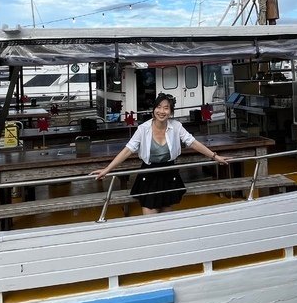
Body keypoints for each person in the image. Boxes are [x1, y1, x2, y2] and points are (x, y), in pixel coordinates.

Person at [91, 92, 228, 214]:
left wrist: (215, 156)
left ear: (171, 112)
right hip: (149, 175)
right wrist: (107, 169)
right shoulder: (143, 129)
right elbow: (128, 150)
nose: (162, 111)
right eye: (159, 107)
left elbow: (192, 142)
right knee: (149, 217)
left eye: (166, 108)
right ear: (154, 110)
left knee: (167, 218)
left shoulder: (176, 126)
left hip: (169, 173)